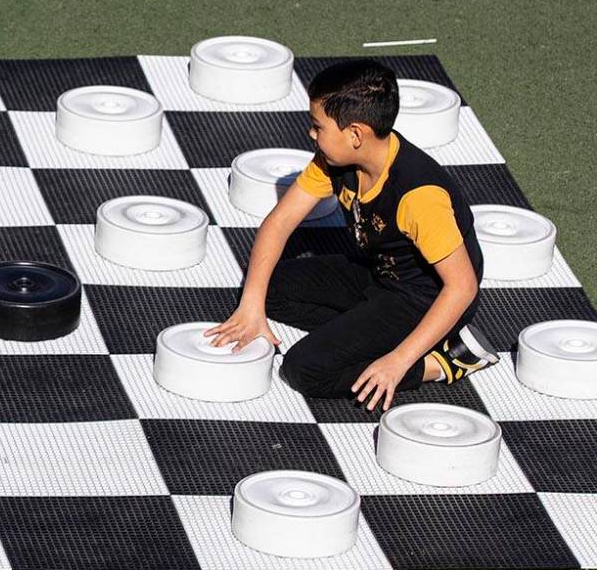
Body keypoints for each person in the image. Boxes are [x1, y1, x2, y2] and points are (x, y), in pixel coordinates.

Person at [212, 59, 498, 411]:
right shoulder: (335, 161)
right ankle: (369, 335)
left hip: (423, 300)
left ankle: (444, 360)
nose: (311, 135)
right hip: (377, 275)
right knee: (263, 286)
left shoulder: (418, 196)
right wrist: (251, 307)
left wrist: (399, 360)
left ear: (356, 134)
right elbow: (279, 223)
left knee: (305, 369)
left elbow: (462, 287)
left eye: (318, 127)